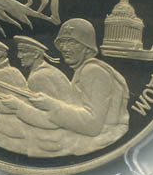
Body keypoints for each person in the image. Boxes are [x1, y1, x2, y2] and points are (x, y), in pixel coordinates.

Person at [28, 19, 130, 155]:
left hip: (102, 140)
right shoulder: (84, 70)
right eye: (62, 42)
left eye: (72, 42)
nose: (64, 48)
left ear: (87, 47)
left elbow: (92, 125)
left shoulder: (92, 71)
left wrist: (50, 104)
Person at [1, 36, 73, 157]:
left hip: (51, 143)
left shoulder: (39, 77)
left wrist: (18, 106)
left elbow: (51, 118)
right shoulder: (49, 71)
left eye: (23, 52)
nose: (19, 56)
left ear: (35, 54)